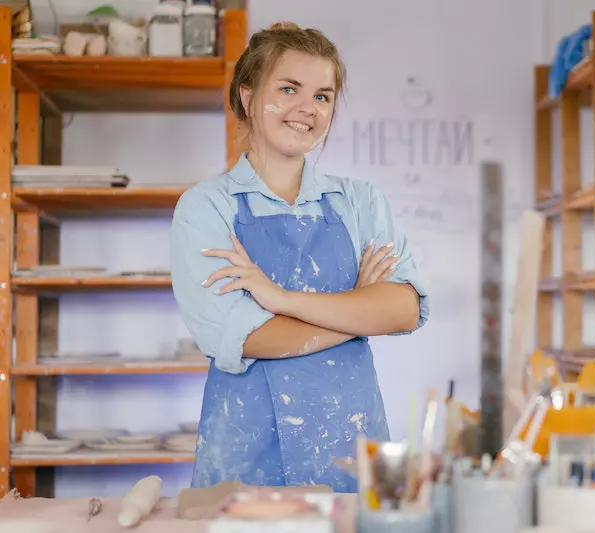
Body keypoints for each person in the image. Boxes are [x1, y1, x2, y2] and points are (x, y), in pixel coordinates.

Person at [170, 21, 429, 492]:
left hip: (348, 449)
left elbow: (404, 310)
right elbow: (245, 338)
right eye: (289, 88)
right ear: (248, 97)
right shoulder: (206, 207)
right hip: (247, 457)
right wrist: (359, 306)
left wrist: (279, 298)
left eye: (323, 96)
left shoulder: (360, 201)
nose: (307, 109)